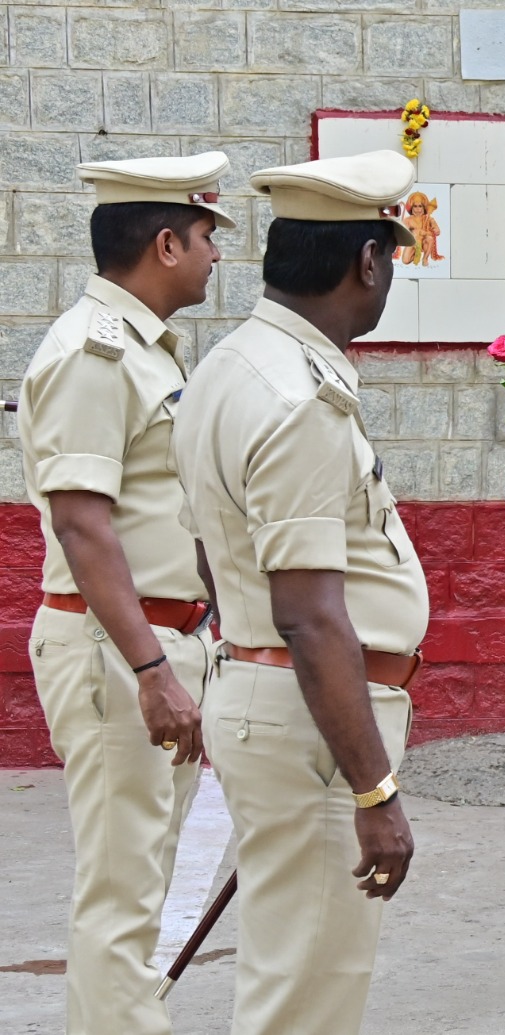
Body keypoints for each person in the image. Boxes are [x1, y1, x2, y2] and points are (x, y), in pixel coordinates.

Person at [171, 151, 427, 1035]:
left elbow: (214, 553)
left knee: (289, 976)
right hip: (312, 713)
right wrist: (373, 793)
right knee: (308, 1000)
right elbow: (310, 613)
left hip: (270, 693)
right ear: (367, 261)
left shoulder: (228, 367)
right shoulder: (299, 396)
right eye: (391, 256)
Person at [17, 152, 231, 1035]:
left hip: (155, 641)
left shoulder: (144, 350)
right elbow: (82, 524)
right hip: (118, 650)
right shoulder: (93, 353)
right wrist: (151, 667)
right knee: (121, 894)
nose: (219, 255)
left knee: (139, 884)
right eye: (211, 237)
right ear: (168, 241)